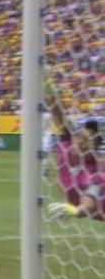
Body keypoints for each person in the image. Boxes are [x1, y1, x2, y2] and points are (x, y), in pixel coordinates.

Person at [46, 82, 105, 221]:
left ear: (95, 147)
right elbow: (60, 118)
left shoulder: (95, 173)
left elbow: (88, 204)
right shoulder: (67, 146)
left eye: (85, 140)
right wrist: (49, 94)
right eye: (78, 136)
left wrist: (73, 210)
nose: (78, 141)